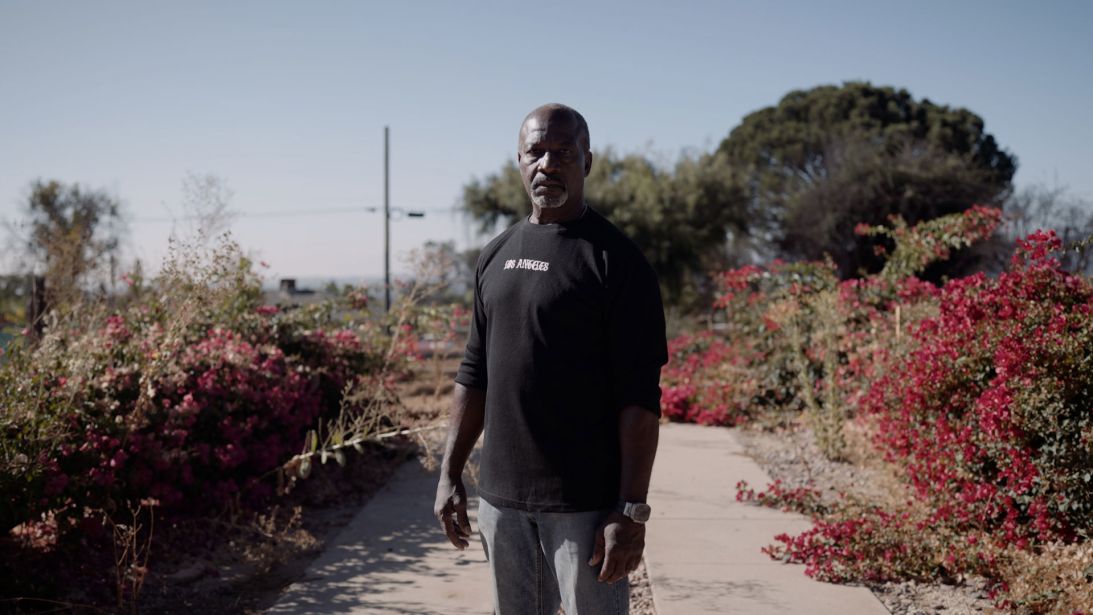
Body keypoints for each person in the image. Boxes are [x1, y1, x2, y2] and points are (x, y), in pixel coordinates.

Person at [434, 103, 668, 615]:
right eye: (536, 152)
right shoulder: (496, 255)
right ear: (519, 160)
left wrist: (631, 510)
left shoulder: (616, 261)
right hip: (500, 502)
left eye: (563, 152)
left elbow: (640, 399)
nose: (548, 164)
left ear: (587, 160)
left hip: (583, 506)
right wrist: (450, 473)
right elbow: (474, 373)